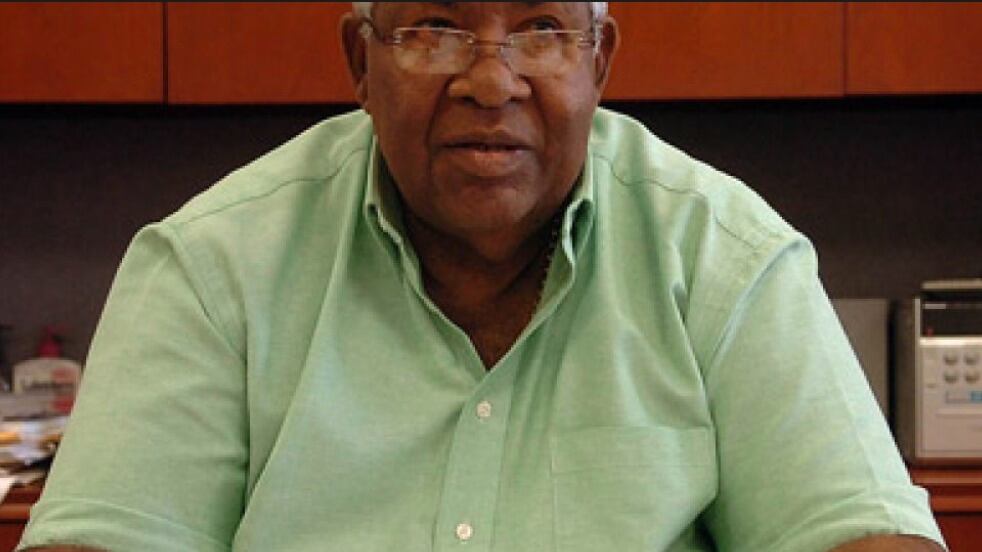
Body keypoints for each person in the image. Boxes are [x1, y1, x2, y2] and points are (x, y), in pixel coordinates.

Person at [20, 2, 947, 551]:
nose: (491, 82)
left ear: (599, 60)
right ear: (360, 61)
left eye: (541, 30)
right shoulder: (211, 266)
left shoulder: (723, 254)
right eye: (435, 28)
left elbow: (857, 533)